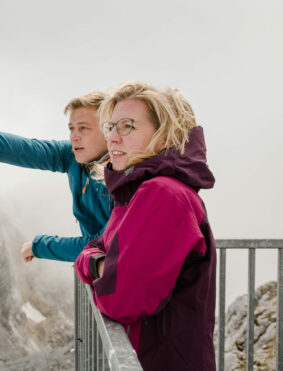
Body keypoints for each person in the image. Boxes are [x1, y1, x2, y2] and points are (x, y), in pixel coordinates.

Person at [75, 82, 216, 370]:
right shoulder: (136, 194)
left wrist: (93, 264)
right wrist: (103, 263)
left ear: (164, 134)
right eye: (110, 126)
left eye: (127, 126)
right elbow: (96, 247)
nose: (112, 138)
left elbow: (121, 300)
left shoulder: (162, 195)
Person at [0, 92, 113, 263]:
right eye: (71, 128)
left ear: (108, 132)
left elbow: (103, 246)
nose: (74, 137)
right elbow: (29, 150)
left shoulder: (125, 179)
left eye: (83, 128)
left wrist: (39, 246)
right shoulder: (74, 156)